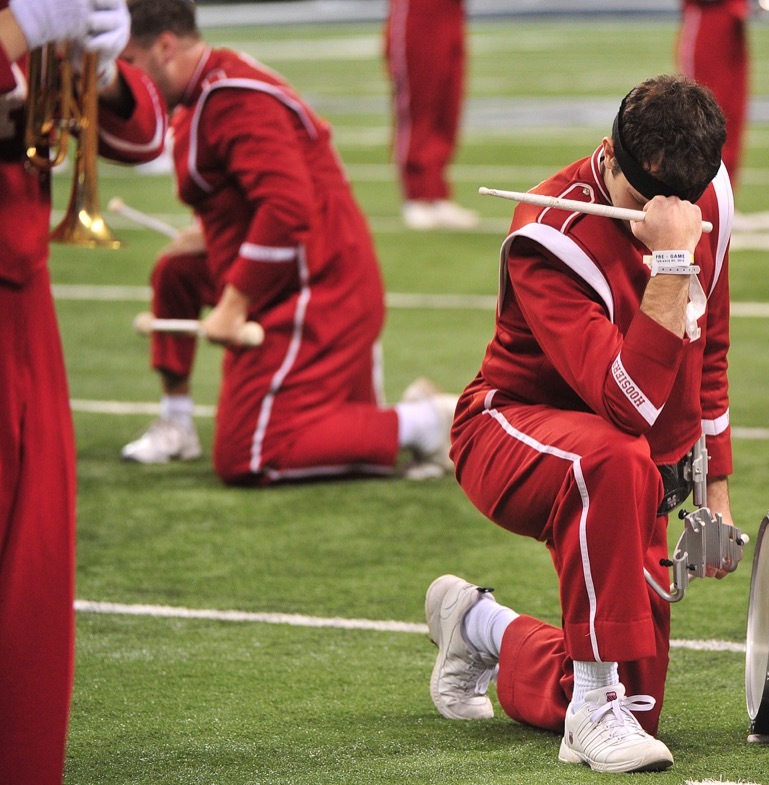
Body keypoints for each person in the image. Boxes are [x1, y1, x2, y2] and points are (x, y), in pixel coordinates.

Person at [426, 74, 734, 773]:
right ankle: (589, 714)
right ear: (608, 156)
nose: (661, 215)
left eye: (681, 205)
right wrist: (673, 260)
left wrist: (716, 483)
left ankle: (481, 627)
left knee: (644, 700)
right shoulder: (547, 237)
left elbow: (708, 345)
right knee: (615, 456)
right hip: (510, 428)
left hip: (621, 454)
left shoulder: (710, 199)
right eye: (642, 201)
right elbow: (625, 403)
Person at [118, 0, 454, 484]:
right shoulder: (210, 87)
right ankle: (177, 421)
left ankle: (424, 421)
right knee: (175, 271)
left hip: (320, 283)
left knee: (250, 453)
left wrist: (233, 304)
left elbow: (286, 208)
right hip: (301, 267)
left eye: (128, 63)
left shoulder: (233, 97)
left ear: (165, 47)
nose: (125, 78)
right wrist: (213, 236)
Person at [1, 1, 168, 781]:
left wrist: (94, 71)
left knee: (31, 579)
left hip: (20, 284)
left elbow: (145, 135)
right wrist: (19, 35)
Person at [384, 0, 478, 231]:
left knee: (448, 107)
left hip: (452, 12)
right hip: (418, 11)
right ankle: (416, 195)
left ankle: (437, 194)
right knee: (418, 105)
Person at [677, 0, 748, 191]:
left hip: (732, 17)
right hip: (708, 14)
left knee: (731, 116)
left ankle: (724, 199)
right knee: (698, 114)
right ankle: (697, 197)